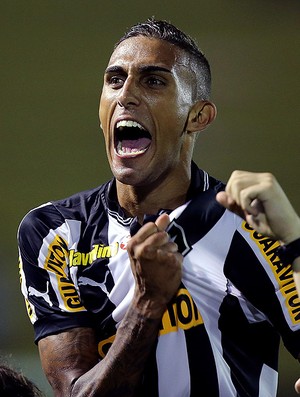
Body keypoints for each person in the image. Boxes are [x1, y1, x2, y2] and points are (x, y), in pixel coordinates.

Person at [17, 17, 300, 397]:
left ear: (198, 117)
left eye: (153, 81)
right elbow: (76, 392)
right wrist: (148, 303)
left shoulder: (244, 224)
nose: (125, 95)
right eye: (114, 80)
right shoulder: (54, 232)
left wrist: (295, 240)